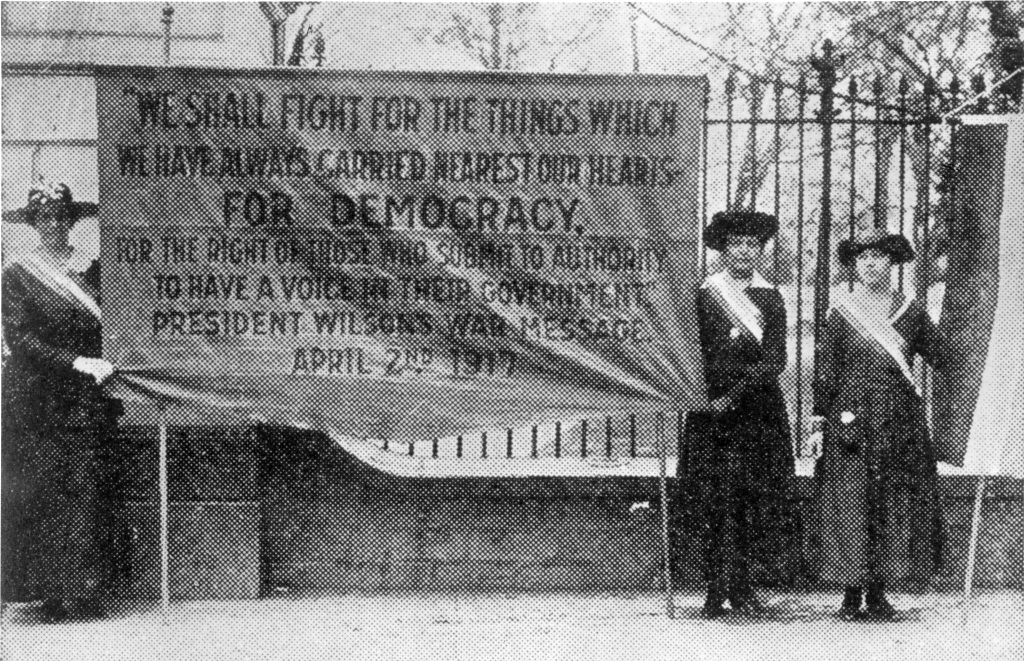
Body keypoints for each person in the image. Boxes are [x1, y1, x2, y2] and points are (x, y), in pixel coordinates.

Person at [1, 179, 121, 621]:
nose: (53, 225)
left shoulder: (91, 269)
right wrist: (75, 361)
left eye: (60, 217)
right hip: (35, 396)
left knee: (85, 486)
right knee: (42, 489)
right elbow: (21, 338)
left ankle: (85, 589)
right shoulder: (18, 273)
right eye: (44, 218)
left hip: (84, 397)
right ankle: (46, 594)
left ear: (72, 221)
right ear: (34, 224)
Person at [812, 228, 945, 621]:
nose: (870, 264)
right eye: (863, 257)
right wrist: (819, 421)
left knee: (889, 500)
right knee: (850, 502)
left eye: (879, 257)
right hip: (850, 419)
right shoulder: (841, 313)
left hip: (898, 419)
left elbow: (941, 355)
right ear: (855, 264)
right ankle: (851, 593)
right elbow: (825, 370)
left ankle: (880, 592)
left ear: (892, 263)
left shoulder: (911, 311)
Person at [677, 210, 795, 619]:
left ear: (760, 251)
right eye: (736, 244)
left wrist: (739, 390)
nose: (744, 251)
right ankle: (714, 587)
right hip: (711, 412)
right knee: (713, 496)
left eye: (751, 244)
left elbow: (776, 358)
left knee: (751, 496)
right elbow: (692, 352)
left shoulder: (771, 297)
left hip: (757, 411)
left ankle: (743, 585)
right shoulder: (705, 294)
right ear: (723, 250)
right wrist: (708, 394)